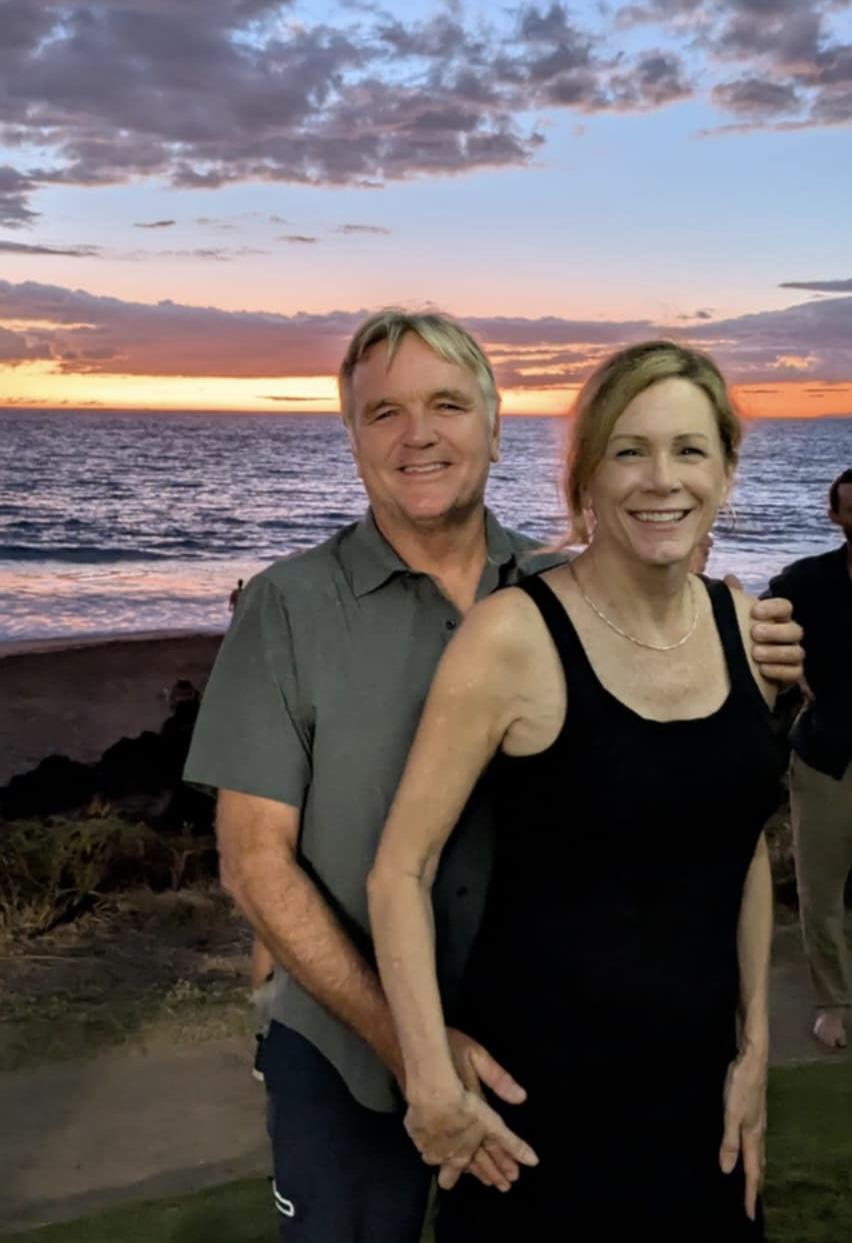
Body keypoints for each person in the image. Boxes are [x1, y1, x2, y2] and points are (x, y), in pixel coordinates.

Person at [184, 313, 803, 1243]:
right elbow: (254, 862)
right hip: (351, 1041)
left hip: (532, 1035)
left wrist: (753, 648)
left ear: (496, 423)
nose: (418, 435)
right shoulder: (288, 606)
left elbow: (695, 782)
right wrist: (416, 1050)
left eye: (446, 405)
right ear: (351, 435)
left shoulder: (561, 584)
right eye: (384, 412)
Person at [369, 340, 786, 1242]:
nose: (661, 479)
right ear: (587, 477)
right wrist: (430, 1076)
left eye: (688, 450)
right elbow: (401, 867)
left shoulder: (746, 630)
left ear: (724, 472)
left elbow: (742, 847)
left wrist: (756, 1049)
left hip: (703, 1120)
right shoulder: (512, 637)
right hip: (537, 1128)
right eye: (629, 451)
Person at [767, 468, 852, 1049]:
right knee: (820, 893)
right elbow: (755, 624)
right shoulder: (806, 581)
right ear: (835, 517)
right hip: (827, 755)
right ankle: (833, 1003)